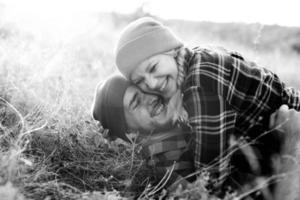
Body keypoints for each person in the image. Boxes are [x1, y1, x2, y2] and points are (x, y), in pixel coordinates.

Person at [114, 17, 300, 185]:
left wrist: (175, 180)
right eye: (140, 81)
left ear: (170, 50)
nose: (152, 83)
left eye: (153, 67)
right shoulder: (198, 56)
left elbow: (210, 176)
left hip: (291, 129)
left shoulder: (199, 83)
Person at [91, 73, 195, 190]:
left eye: (146, 90)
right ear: (130, 132)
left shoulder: (185, 109)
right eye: (136, 102)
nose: (152, 98)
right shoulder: (168, 169)